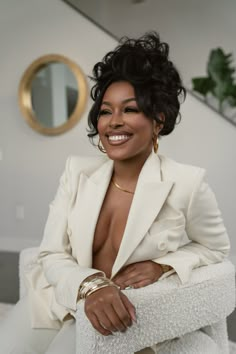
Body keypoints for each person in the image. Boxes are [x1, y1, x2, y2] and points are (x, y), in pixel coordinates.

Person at [0, 32, 230, 354]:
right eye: (106, 111)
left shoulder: (187, 183)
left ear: (158, 120)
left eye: (130, 109)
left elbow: (216, 249)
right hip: (57, 299)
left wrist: (164, 266)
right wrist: (90, 285)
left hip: (112, 318)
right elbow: (51, 253)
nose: (113, 123)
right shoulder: (76, 171)